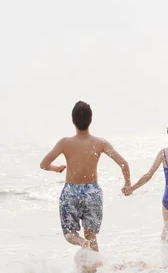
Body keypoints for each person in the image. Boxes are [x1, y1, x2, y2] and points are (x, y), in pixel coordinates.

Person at [40, 101, 131, 251]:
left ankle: (81, 242)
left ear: (72, 120)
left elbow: (43, 164)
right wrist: (127, 184)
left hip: (71, 192)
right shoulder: (100, 143)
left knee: (70, 234)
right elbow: (123, 163)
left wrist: (55, 168)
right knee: (92, 236)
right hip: (92, 193)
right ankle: (96, 272)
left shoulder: (65, 143)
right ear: (91, 120)